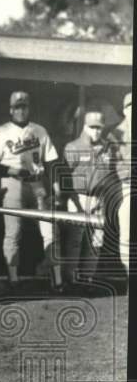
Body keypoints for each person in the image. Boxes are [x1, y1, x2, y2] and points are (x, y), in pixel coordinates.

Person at [0, 91, 63, 291]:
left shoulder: (39, 130)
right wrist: (13, 170)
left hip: (37, 183)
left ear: (29, 108)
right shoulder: (1, 132)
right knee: (13, 233)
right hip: (12, 183)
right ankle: (13, 279)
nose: (21, 111)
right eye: (17, 107)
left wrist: (56, 187)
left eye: (24, 107)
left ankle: (57, 279)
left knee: (50, 231)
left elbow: (51, 162)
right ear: (11, 110)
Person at [61, 110, 115, 284]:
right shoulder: (73, 147)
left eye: (99, 127)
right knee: (75, 240)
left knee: (96, 241)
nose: (96, 131)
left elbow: (111, 173)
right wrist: (70, 198)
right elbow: (64, 176)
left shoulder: (107, 147)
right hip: (79, 197)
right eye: (92, 127)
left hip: (100, 198)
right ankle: (71, 278)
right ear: (85, 127)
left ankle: (88, 278)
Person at [107, 92, 131, 275]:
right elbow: (114, 166)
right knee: (127, 235)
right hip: (127, 187)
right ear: (124, 110)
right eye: (131, 106)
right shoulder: (116, 134)